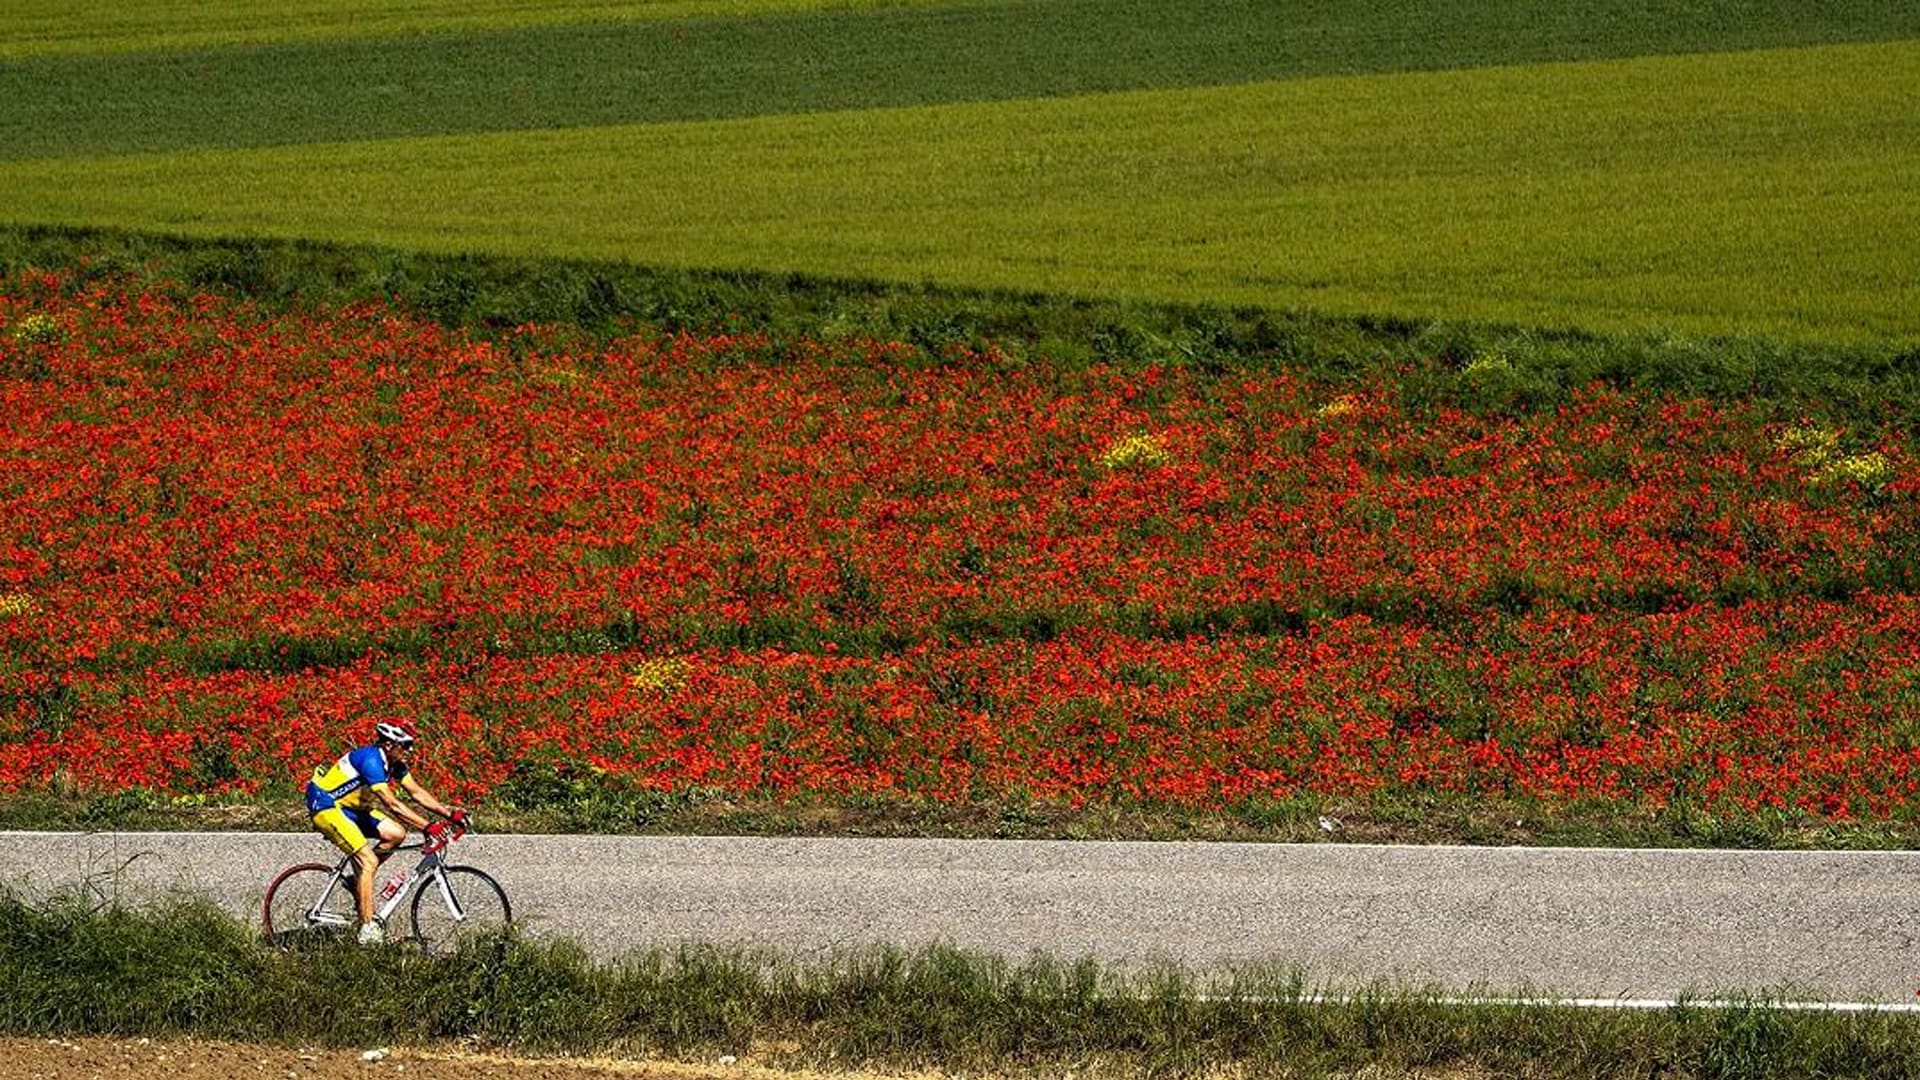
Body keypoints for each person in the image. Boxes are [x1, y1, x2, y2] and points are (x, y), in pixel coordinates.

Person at [304, 719, 466, 944]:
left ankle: (359, 880)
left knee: (396, 834)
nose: (411, 750)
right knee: (368, 861)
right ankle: (367, 930)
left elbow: (416, 792)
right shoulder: (371, 760)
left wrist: (449, 814)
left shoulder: (395, 764)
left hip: (352, 808)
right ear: (389, 745)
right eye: (406, 744)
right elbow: (392, 804)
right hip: (327, 806)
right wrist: (428, 827)